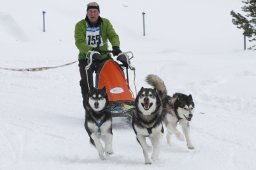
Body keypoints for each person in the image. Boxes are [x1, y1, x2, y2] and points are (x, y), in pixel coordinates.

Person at [74, 2, 123, 109]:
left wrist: (116, 47)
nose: (92, 14)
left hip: (103, 57)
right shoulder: (80, 25)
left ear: (99, 12)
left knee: (112, 75)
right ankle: (89, 106)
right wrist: (91, 50)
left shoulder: (105, 23)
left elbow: (113, 35)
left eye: (95, 11)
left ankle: (116, 101)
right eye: (90, 11)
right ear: (86, 13)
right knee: (86, 81)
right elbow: (79, 42)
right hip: (86, 58)